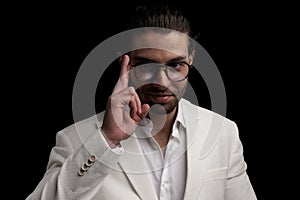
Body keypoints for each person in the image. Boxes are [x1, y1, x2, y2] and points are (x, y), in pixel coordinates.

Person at [26, 4, 257, 200]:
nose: (162, 81)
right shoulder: (76, 139)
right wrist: (107, 139)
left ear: (191, 59)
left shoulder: (223, 133)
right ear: (124, 59)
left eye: (175, 65)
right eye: (147, 65)